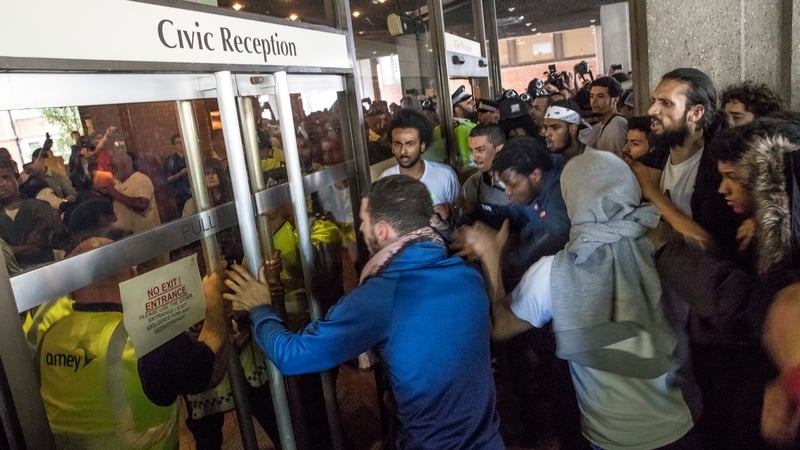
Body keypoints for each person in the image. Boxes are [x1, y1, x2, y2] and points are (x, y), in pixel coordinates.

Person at [222, 175, 504, 449]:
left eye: (364, 221)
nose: (360, 227)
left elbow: (292, 355)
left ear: (382, 231)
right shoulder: (467, 274)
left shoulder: (380, 296)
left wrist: (260, 308)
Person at [455, 149, 697, 449]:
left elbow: (501, 326)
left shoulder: (552, 272)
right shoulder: (664, 242)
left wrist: (491, 255)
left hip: (611, 435)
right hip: (681, 420)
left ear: (571, 199)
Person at [655, 117, 800, 449]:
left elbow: (749, 305)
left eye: (733, 178)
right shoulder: (759, 226)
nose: (722, 189)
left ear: (769, 183)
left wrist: (668, 252)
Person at [37, 236, 230, 449]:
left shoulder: (51, 334)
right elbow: (209, 370)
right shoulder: (146, 335)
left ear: (72, 288)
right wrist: (213, 301)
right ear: (132, 276)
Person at [631, 67, 740, 256]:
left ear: (696, 113)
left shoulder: (721, 169)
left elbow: (710, 246)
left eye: (666, 103)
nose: (651, 110)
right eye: (654, 101)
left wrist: (653, 194)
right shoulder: (654, 160)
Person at [380, 108, 459, 234]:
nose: (402, 151)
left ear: (422, 145)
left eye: (410, 144)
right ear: (391, 147)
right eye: (397, 144)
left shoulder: (445, 175)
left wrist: (450, 210)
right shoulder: (386, 180)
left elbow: (460, 222)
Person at [0, 159, 55, 268]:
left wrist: (6, 250)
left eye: (6, 178)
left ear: (18, 180)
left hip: (45, 270)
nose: (1, 185)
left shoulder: (39, 207)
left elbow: (39, 248)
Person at [457, 123, 509, 228]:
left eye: (480, 150)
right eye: (471, 150)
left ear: (499, 149)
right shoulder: (472, 184)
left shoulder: (522, 181)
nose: (473, 157)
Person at [97, 152, 160, 235]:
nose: (111, 170)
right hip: (125, 235)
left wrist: (114, 192)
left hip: (144, 235)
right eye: (110, 166)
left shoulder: (140, 179)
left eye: (114, 166)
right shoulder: (117, 182)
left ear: (126, 166)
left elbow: (142, 204)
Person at [584, 76, 627, 156]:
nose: (594, 101)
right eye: (591, 96)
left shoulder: (615, 126)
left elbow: (617, 162)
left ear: (615, 100)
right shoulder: (607, 122)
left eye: (600, 96)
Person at [164, 133, 191, 213]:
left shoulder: (190, 157)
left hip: (193, 192)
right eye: (178, 142)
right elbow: (168, 179)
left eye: (182, 142)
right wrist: (180, 174)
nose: (181, 144)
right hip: (180, 196)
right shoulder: (171, 160)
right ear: (174, 145)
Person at [452, 85, 478, 167]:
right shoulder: (465, 129)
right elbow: (468, 163)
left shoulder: (438, 128)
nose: (474, 104)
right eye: (469, 103)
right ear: (458, 110)